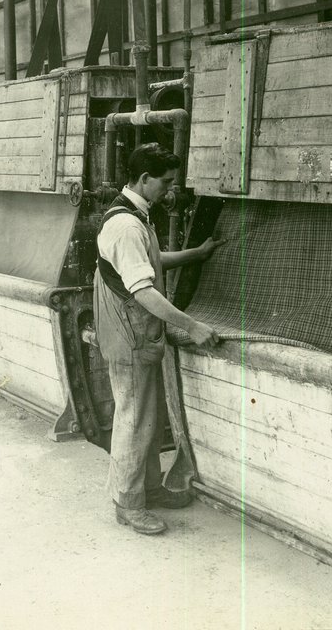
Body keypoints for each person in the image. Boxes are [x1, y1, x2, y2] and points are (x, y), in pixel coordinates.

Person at [95, 142, 224, 536]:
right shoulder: (126, 225)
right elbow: (144, 290)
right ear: (145, 178)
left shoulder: (135, 214)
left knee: (145, 419)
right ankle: (128, 504)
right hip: (129, 334)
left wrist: (195, 254)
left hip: (134, 333)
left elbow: (149, 260)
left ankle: (148, 488)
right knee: (134, 420)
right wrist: (193, 326)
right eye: (166, 183)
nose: (170, 190)